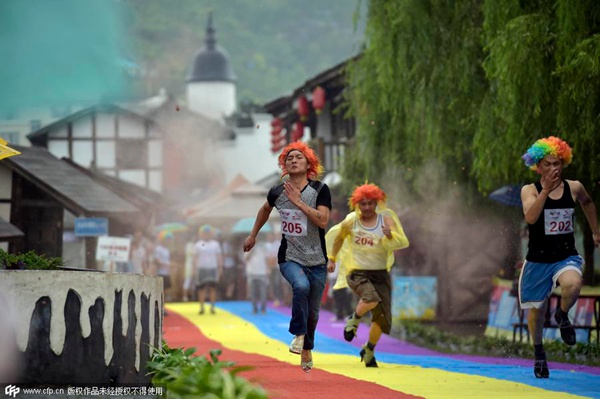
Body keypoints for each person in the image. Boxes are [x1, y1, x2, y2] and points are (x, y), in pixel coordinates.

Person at [243, 141, 332, 372]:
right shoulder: (277, 190)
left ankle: (306, 347)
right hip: (289, 256)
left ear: (308, 163)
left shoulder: (320, 190)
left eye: (298, 157)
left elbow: (323, 220)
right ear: (284, 164)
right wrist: (253, 235)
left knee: (313, 312)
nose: (293, 160)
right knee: (300, 286)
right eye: (289, 158)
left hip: (318, 259)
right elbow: (264, 210)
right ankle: (297, 334)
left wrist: (299, 203)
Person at [520, 136, 599, 378]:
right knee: (536, 311)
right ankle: (539, 352)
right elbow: (531, 218)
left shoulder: (574, 187)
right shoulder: (529, 190)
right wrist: (545, 191)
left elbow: (587, 202)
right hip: (538, 259)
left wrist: (596, 230)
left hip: (566, 257)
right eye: (548, 164)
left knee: (574, 284)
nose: (554, 169)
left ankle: (563, 314)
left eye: (558, 164)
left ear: (564, 163)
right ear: (538, 166)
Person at [326, 183, 409, 367]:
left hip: (381, 274)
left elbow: (402, 242)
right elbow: (339, 239)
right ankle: (354, 318)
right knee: (370, 298)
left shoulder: (386, 220)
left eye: (370, 203)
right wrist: (332, 259)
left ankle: (369, 349)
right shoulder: (351, 221)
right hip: (358, 273)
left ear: (377, 203)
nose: (366, 207)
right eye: (362, 204)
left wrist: (389, 236)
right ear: (357, 204)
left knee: (382, 319)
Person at [193, 224, 223, 314]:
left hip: (212, 268)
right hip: (201, 269)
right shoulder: (198, 244)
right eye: (204, 233)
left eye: (208, 233)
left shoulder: (215, 244)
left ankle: (212, 307)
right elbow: (195, 257)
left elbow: (219, 257)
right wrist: (194, 269)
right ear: (201, 234)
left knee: (212, 288)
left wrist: (220, 268)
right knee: (201, 288)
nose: (206, 234)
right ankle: (202, 307)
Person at [243, 235, 270, 314]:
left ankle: (263, 308)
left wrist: (268, 268)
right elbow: (245, 259)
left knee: (263, 292)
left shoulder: (263, 247)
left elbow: (267, 258)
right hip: (252, 273)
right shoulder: (248, 247)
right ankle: (254, 308)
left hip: (262, 273)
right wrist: (250, 251)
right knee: (253, 292)